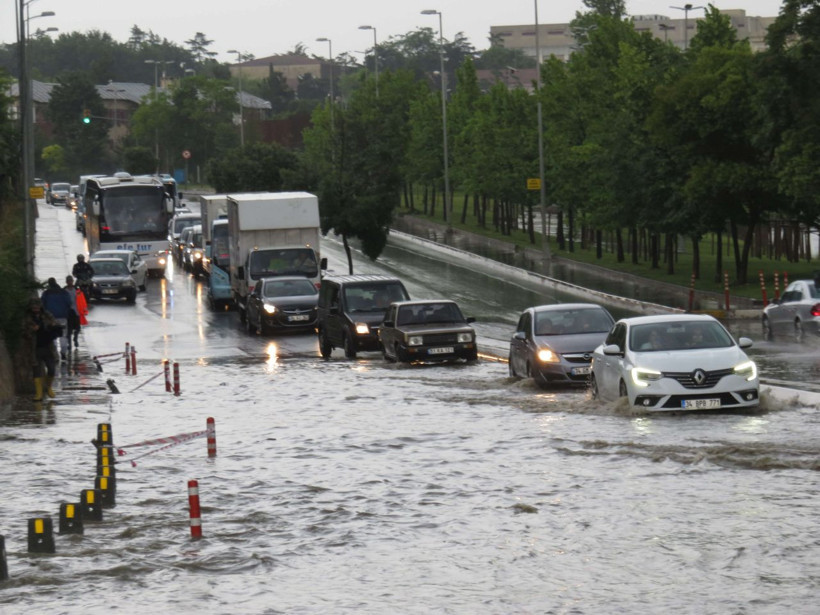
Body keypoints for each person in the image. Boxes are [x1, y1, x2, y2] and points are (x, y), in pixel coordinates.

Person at [23, 298, 60, 401]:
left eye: (37, 306)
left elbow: (56, 325)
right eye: (33, 307)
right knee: (37, 371)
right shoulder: (27, 318)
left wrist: (53, 326)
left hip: (48, 347)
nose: (36, 309)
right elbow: (24, 333)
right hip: (35, 348)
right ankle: (38, 394)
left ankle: (48, 387)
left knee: (51, 369)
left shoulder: (47, 315)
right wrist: (32, 330)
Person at [40, 277, 72, 360]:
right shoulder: (64, 292)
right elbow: (69, 303)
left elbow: (42, 304)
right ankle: (63, 352)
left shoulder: (46, 293)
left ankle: (55, 355)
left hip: (50, 318)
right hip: (63, 317)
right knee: (63, 335)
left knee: (52, 336)